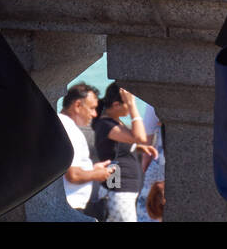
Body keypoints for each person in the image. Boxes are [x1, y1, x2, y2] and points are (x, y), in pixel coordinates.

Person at [91, 83, 156, 223]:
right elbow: (141, 137)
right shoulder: (106, 125)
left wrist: (138, 148)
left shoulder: (113, 123)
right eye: (127, 103)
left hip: (121, 190)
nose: (131, 105)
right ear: (116, 105)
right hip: (118, 191)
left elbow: (117, 147)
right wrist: (133, 107)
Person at [58, 83, 113, 214]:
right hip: (71, 205)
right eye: (92, 108)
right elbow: (73, 174)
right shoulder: (70, 129)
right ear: (77, 105)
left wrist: (91, 169)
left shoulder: (60, 123)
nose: (94, 114)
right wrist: (97, 174)